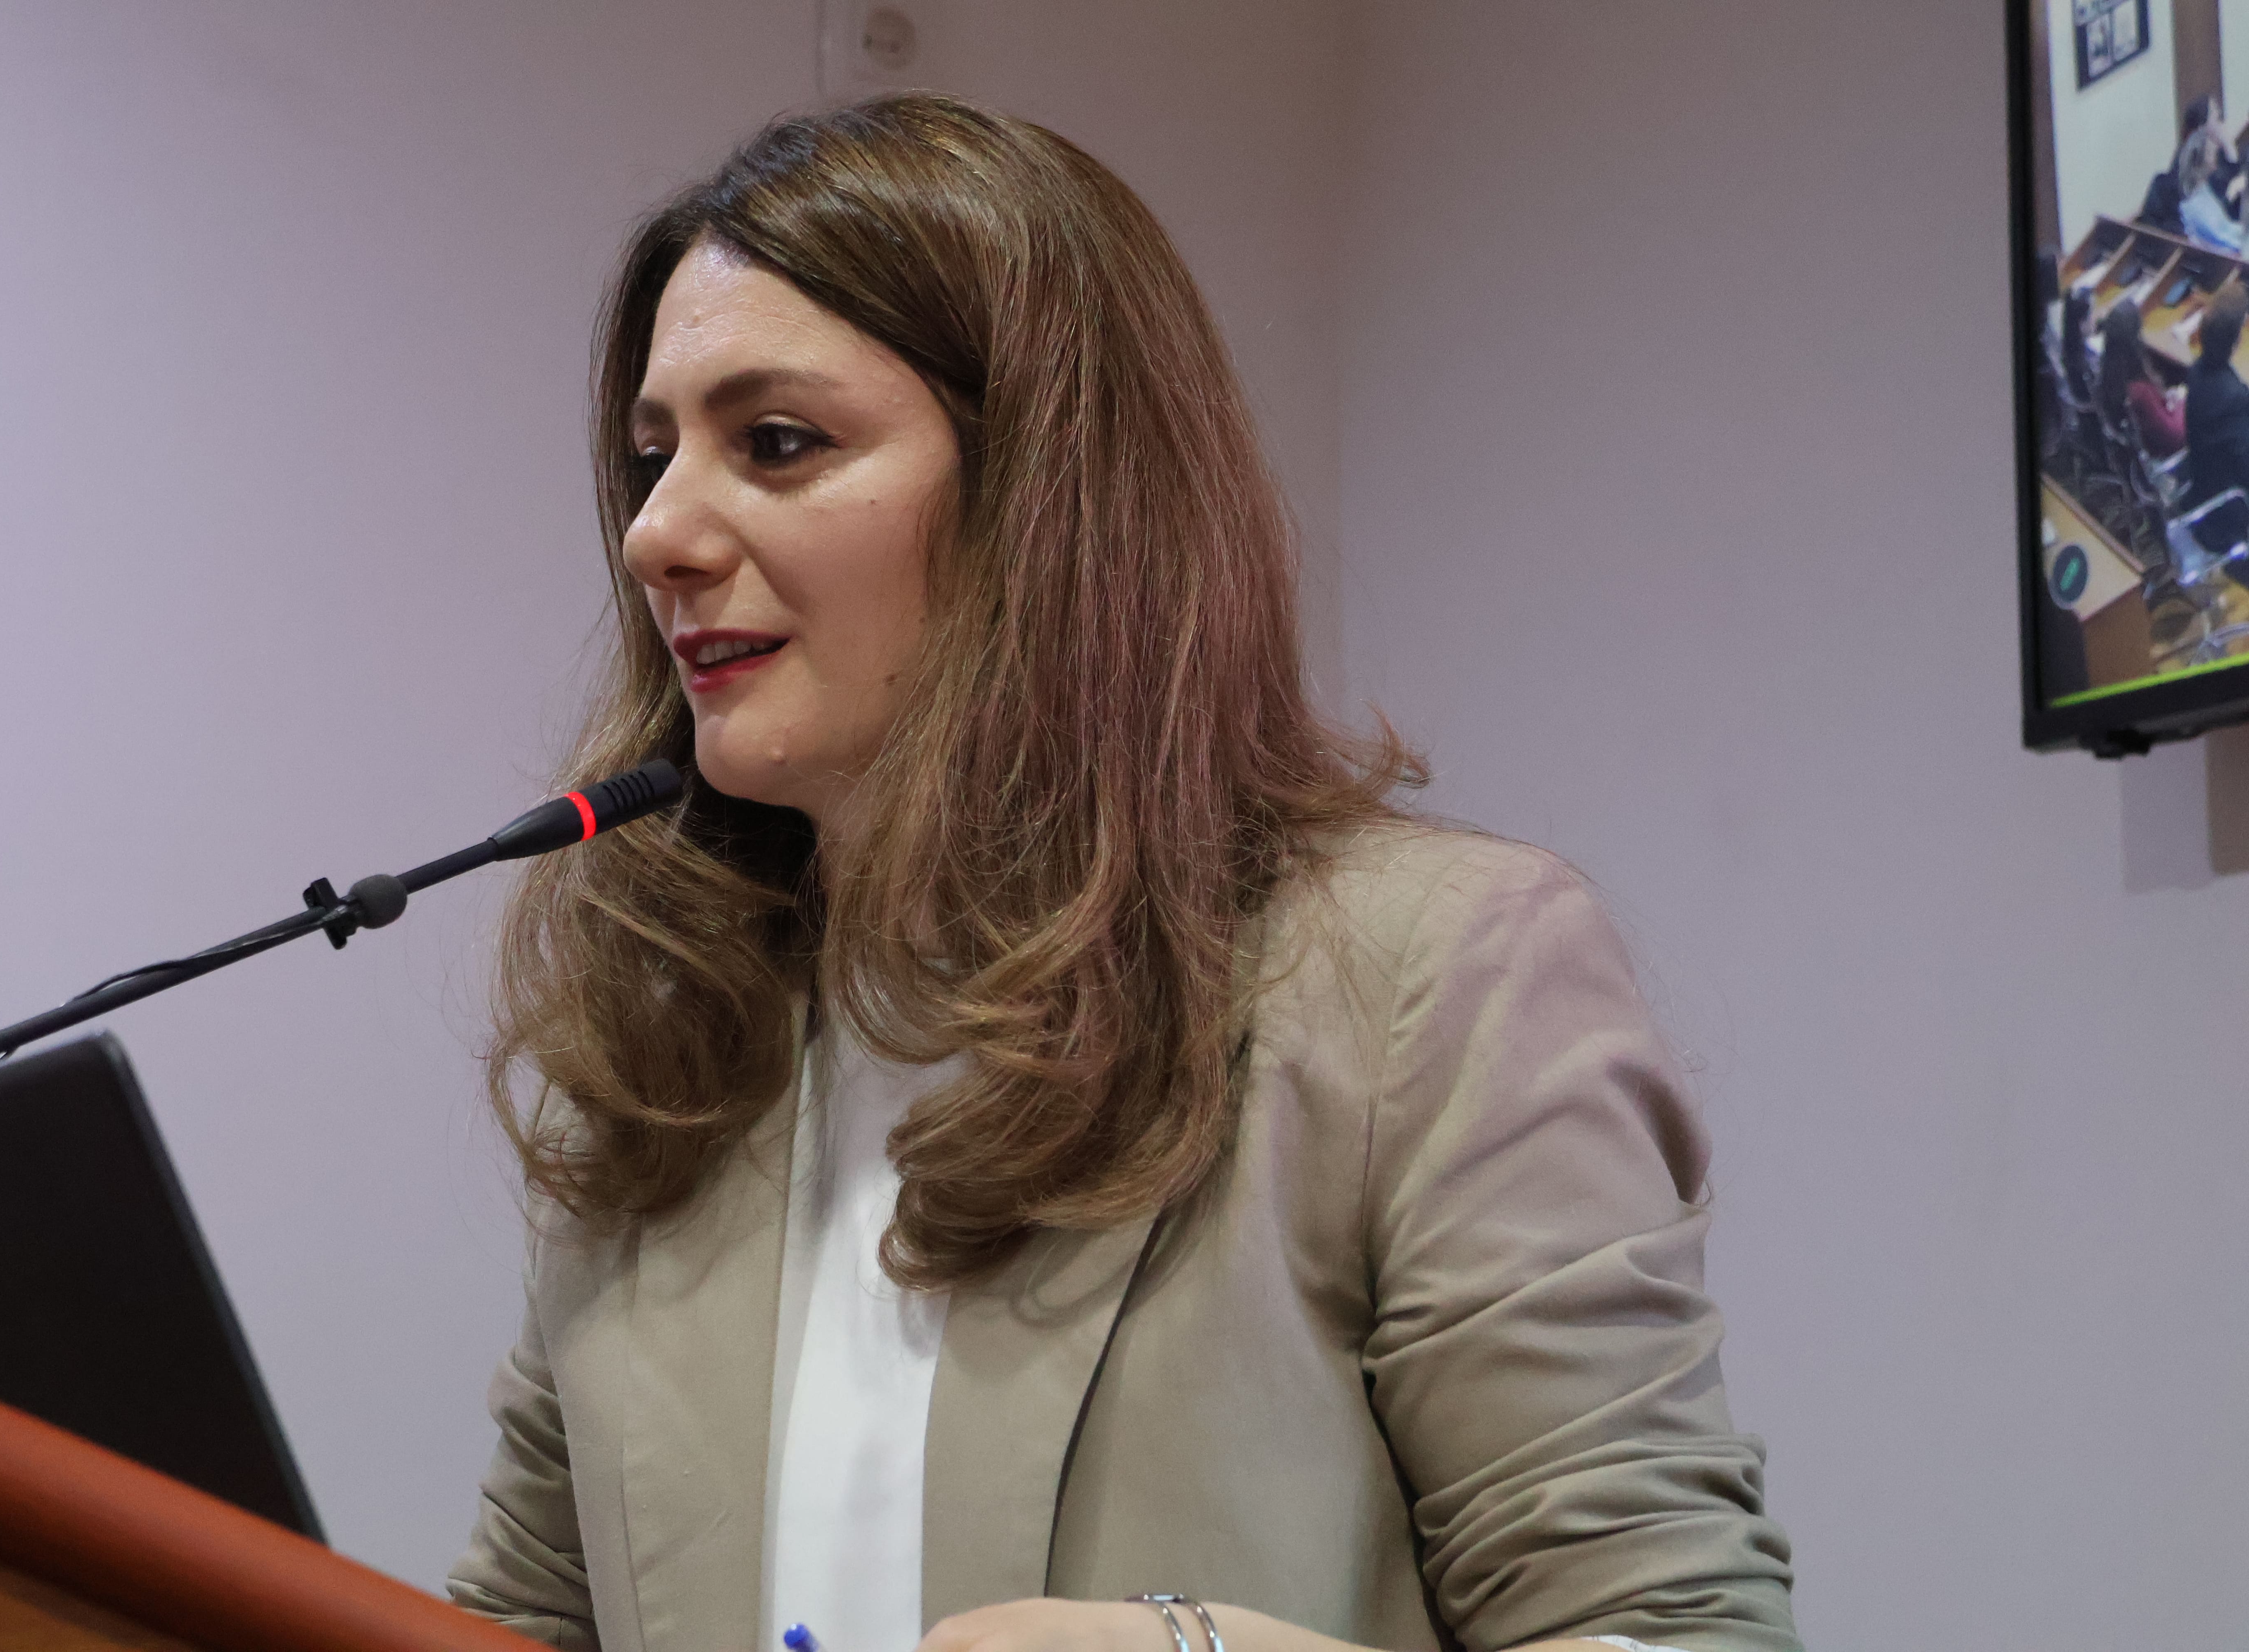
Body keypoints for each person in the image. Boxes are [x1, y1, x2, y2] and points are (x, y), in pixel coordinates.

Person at [447, 95, 1798, 1652]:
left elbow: (1676, 1629)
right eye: (651, 457)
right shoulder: (673, 1045)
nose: (657, 534)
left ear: (1048, 492)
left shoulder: (1426, 979)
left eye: (777, 443)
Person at [2096, 298, 2186, 456]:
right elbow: (2175, 435)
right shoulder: (2140, 391)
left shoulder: (2108, 368)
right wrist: (2184, 404)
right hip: (2161, 449)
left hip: (2138, 441)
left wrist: (2167, 402)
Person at [2187, 285, 2249, 509]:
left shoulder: (2197, 369)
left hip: (2200, 479)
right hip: (2226, 504)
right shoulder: (2235, 398)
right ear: (2236, 340)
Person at [2177, 126, 2242, 253]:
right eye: (2211, 152)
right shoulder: (2195, 203)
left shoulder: (2205, 190)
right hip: (2222, 257)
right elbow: (2220, 237)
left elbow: (2227, 227)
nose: (2215, 157)